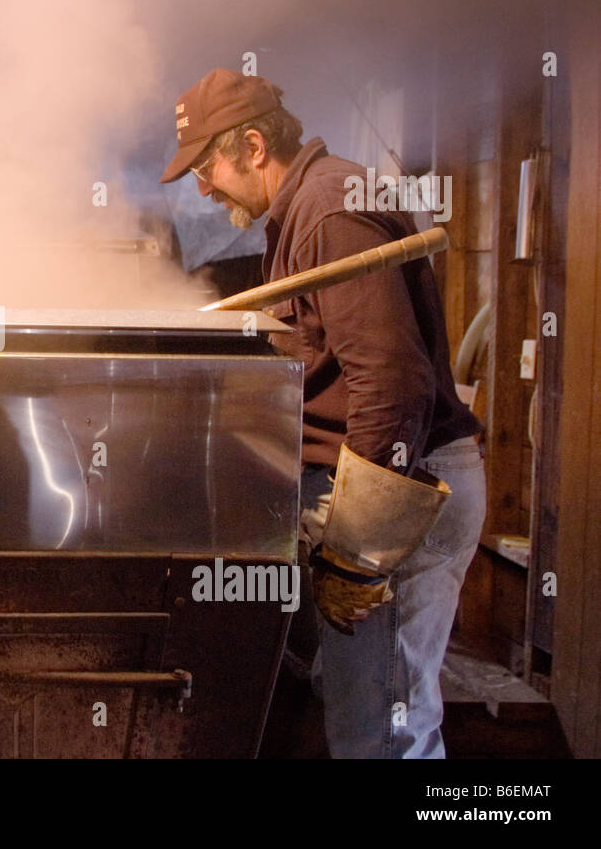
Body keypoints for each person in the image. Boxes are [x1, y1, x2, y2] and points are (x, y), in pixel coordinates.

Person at [159, 68, 486, 758]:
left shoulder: (330, 209)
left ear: (251, 144)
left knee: (382, 735)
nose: (203, 187)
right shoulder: (307, 205)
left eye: (206, 165)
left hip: (402, 495)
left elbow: (394, 387)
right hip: (376, 490)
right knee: (365, 717)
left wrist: (359, 554)